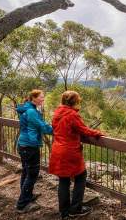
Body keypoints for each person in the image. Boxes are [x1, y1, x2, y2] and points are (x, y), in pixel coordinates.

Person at [49, 90, 104, 219]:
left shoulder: (57, 113)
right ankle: (75, 209)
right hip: (69, 151)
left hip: (58, 149)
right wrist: (97, 133)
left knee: (63, 180)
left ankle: (64, 212)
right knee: (81, 176)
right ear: (74, 102)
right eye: (78, 101)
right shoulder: (72, 115)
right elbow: (83, 130)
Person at [15, 89, 53, 213]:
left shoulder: (27, 109)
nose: (43, 99)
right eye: (41, 97)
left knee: (26, 172)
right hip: (30, 146)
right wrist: (58, 129)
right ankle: (22, 204)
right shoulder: (31, 111)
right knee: (32, 174)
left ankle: (27, 196)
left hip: (24, 144)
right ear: (33, 98)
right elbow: (43, 127)